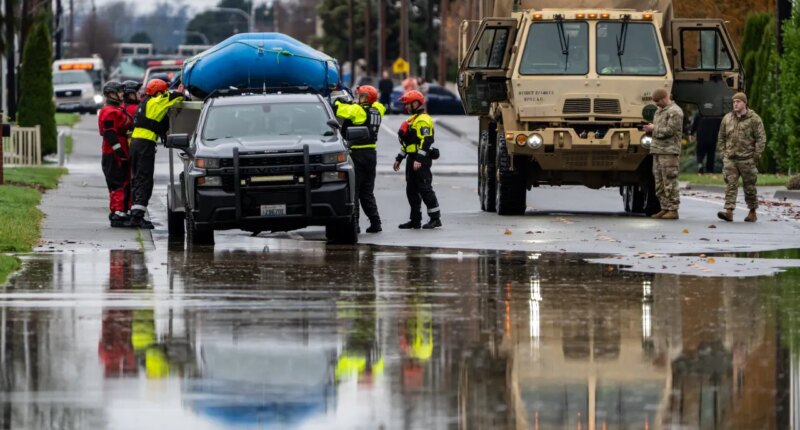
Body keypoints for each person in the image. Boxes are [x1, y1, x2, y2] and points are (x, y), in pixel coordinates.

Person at [129, 79, 184, 229]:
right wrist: (179, 92)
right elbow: (174, 98)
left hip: (136, 143)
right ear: (158, 92)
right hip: (144, 145)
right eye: (163, 91)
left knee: (137, 178)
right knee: (144, 180)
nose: (165, 93)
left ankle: (134, 211)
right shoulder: (155, 102)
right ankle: (137, 217)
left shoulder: (145, 103)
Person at [334, 85, 385, 233]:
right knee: (367, 191)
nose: (358, 98)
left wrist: (339, 101)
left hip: (357, 154)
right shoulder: (378, 110)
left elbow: (339, 109)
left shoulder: (358, 111)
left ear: (366, 98)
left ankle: (354, 225)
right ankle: (376, 223)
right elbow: (377, 103)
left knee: (354, 191)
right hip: (371, 154)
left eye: (361, 96)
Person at [393, 90, 441, 229]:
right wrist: (399, 158)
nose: (406, 107)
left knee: (425, 189)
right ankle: (415, 220)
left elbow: (427, 141)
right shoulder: (412, 119)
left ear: (416, 103)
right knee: (411, 191)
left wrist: (419, 159)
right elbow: (408, 144)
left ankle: (435, 219)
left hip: (421, 160)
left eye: (408, 104)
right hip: (412, 159)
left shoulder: (423, 120)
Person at [716, 92, 766, 223]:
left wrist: (756, 154)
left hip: (747, 159)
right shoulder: (727, 118)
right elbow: (721, 137)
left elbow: (761, 138)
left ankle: (752, 211)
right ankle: (729, 211)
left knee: (749, 187)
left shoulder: (754, 119)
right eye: (733, 102)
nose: (735, 104)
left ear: (745, 103)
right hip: (730, 159)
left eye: (738, 101)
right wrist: (723, 153)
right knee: (730, 185)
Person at [98, 81, 134, 228]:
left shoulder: (117, 109)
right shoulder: (108, 112)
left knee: (124, 181)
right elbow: (109, 134)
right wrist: (120, 152)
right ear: (111, 94)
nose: (121, 94)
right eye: (119, 92)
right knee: (118, 183)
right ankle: (118, 213)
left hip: (120, 151)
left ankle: (122, 211)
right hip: (113, 154)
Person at [644, 88, 683, 220]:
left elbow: (671, 131)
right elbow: (659, 130)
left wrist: (654, 129)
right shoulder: (659, 111)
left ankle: (673, 209)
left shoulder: (675, 112)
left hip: (669, 151)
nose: (656, 104)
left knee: (669, 180)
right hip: (658, 150)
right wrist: (650, 130)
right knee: (659, 181)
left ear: (664, 98)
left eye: (657, 101)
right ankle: (665, 207)